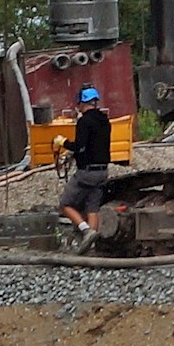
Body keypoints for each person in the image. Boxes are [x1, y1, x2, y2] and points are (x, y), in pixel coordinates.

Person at [59, 84, 116, 236]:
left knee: (65, 204)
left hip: (87, 173)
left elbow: (79, 146)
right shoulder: (105, 120)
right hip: (102, 171)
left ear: (82, 102)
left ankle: (85, 230)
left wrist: (63, 142)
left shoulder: (84, 122)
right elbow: (94, 144)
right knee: (92, 208)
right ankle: (91, 243)